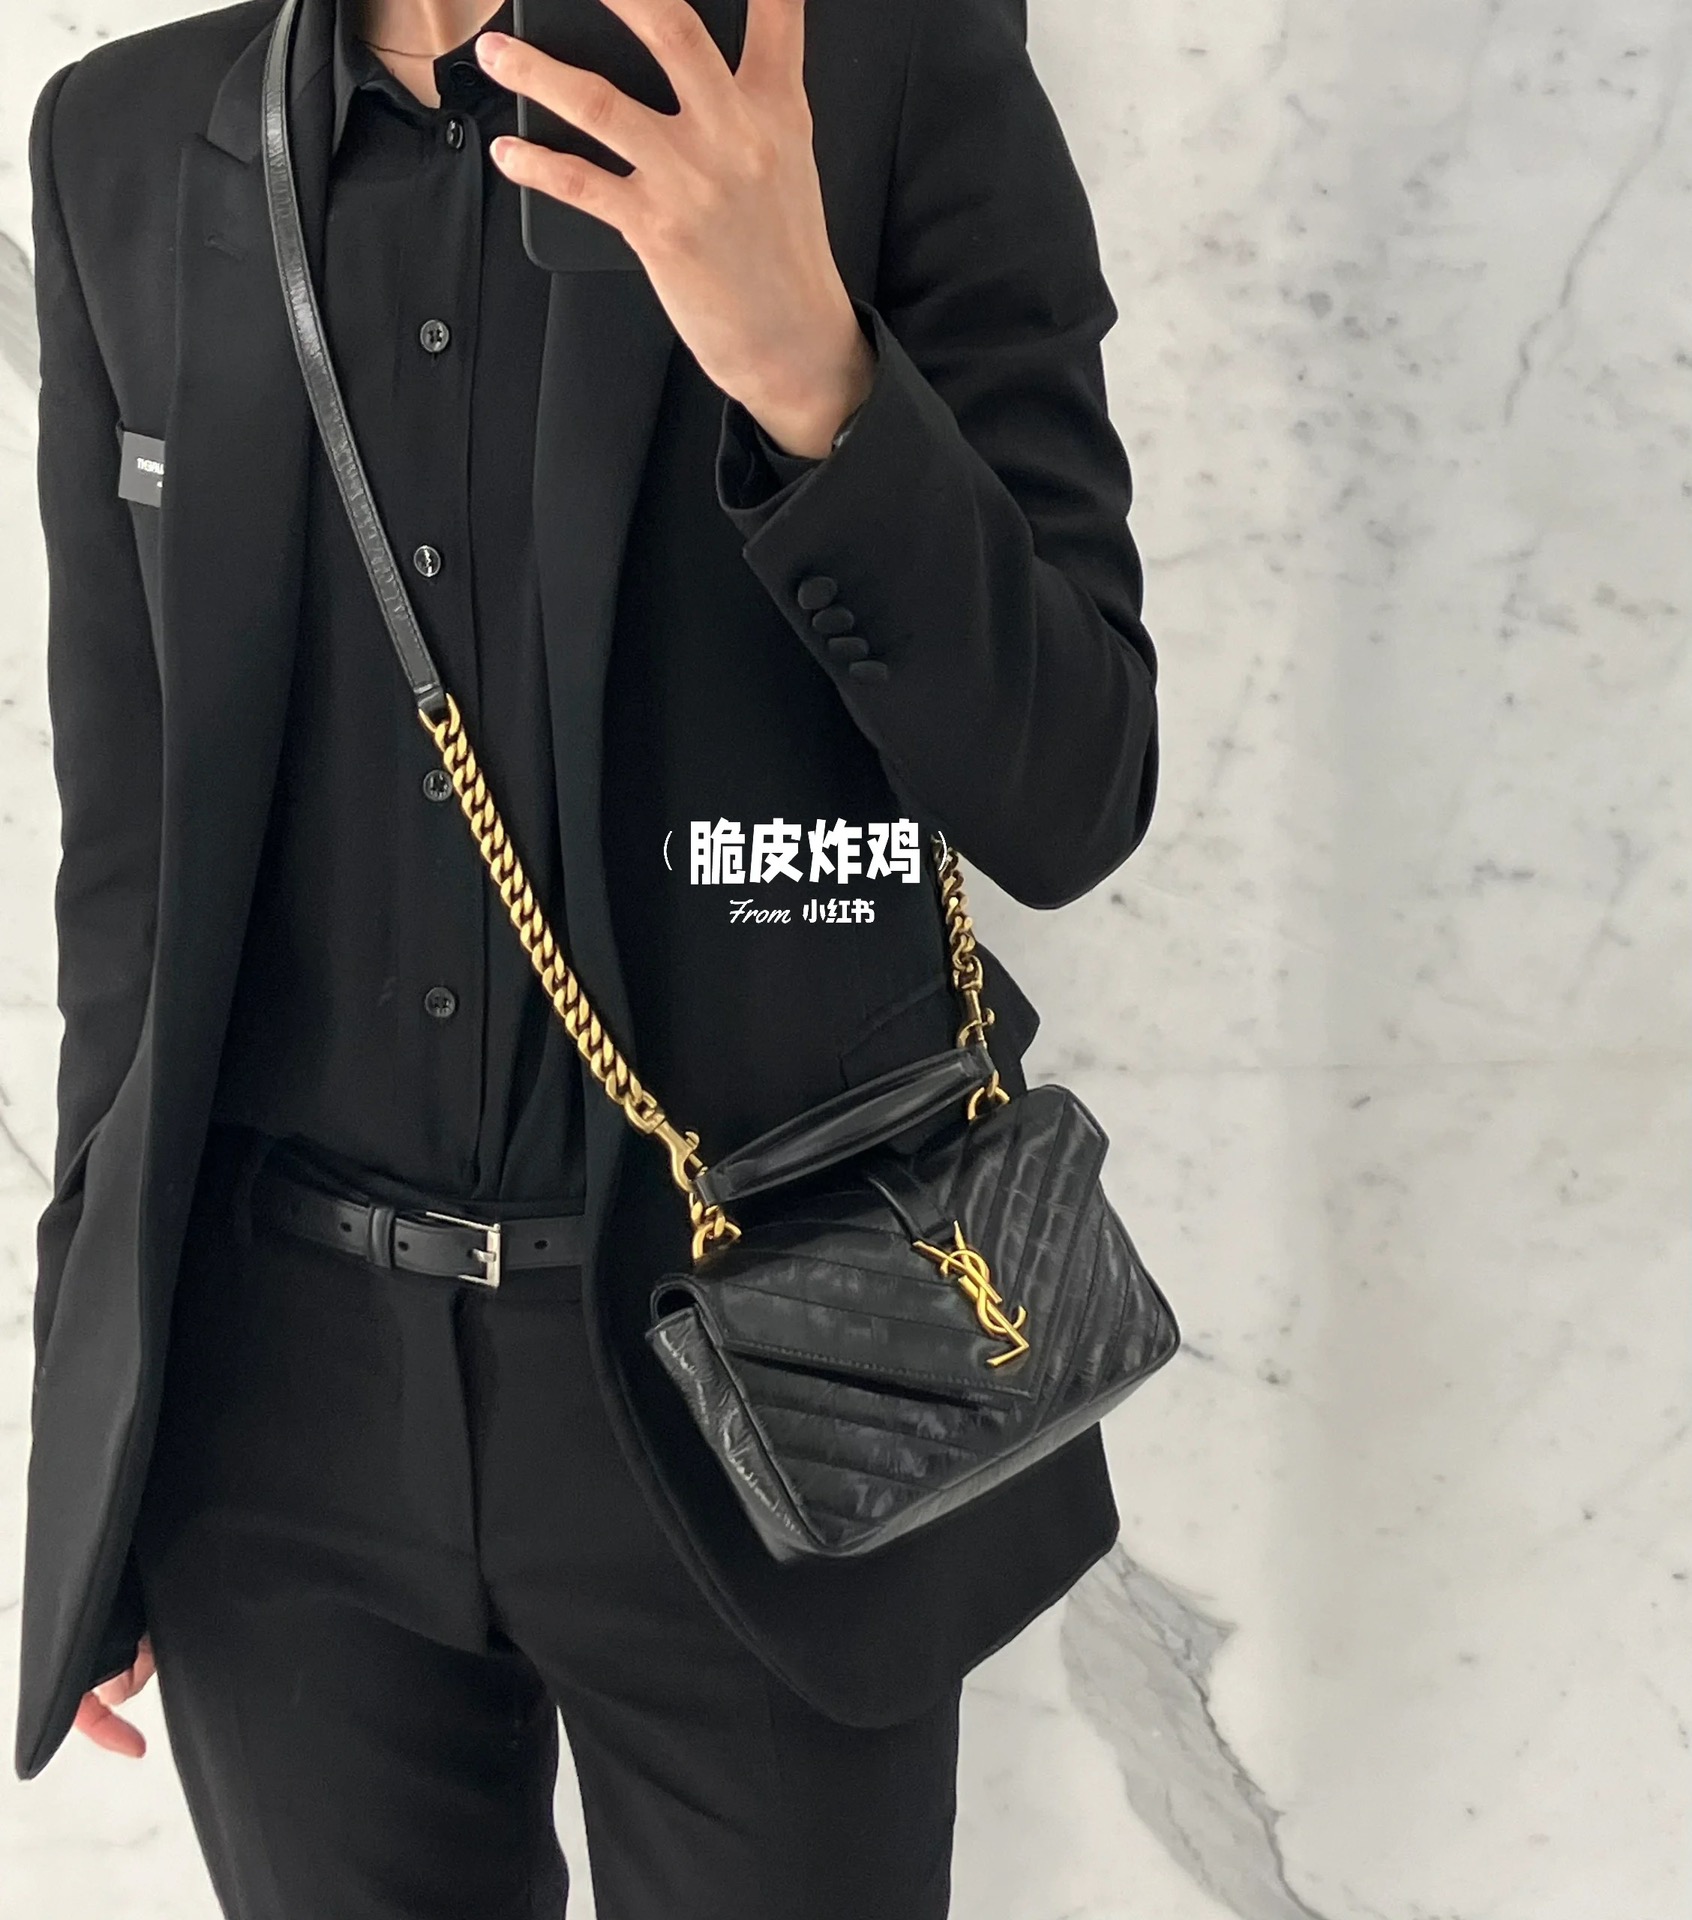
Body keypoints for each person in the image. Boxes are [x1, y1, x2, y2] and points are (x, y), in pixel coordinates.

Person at [15, 0, 1159, 1910]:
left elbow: (1075, 789)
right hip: (271, 1432)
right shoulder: (125, 138)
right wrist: (98, 1435)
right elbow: (130, 867)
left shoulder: (873, 67)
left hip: (774, 1381)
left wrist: (814, 379)